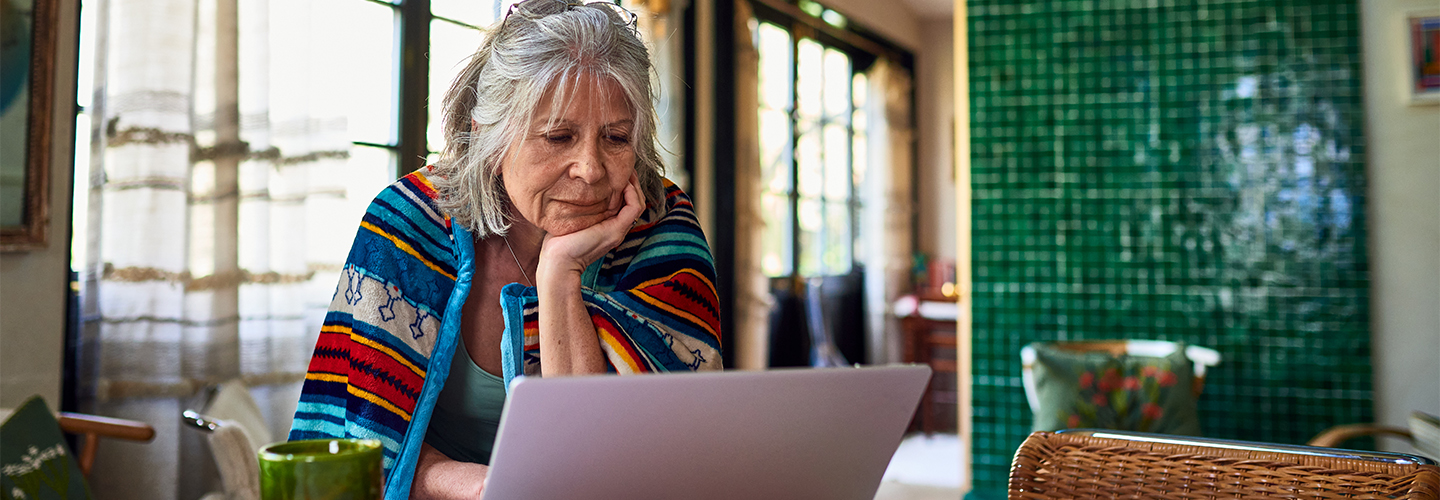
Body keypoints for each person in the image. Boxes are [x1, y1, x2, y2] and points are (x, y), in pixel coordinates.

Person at [287, 1, 723, 498]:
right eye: (559, 136)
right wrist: (483, 486)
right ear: (490, 139)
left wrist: (560, 275)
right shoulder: (407, 222)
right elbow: (360, 438)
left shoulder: (663, 229)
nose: (591, 168)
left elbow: (620, 462)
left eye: (616, 138)